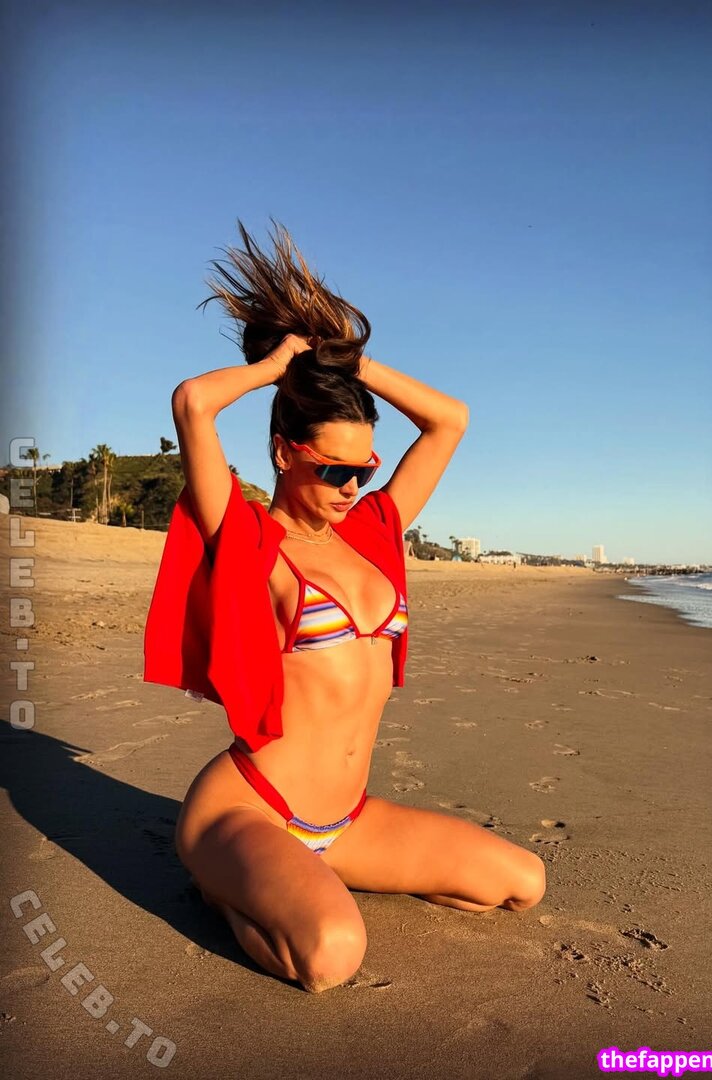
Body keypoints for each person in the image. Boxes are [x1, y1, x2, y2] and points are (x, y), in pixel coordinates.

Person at [154, 220, 546, 994]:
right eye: (334, 470)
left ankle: (305, 882)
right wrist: (275, 368)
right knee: (332, 956)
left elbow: (450, 420)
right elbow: (194, 404)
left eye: (364, 468)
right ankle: (221, 885)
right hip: (250, 810)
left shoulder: (372, 531)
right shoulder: (248, 539)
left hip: (348, 820)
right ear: (283, 452)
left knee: (521, 882)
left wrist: (350, 362)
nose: (352, 487)